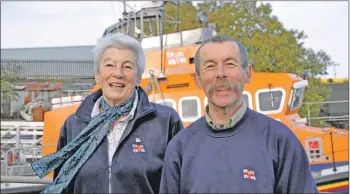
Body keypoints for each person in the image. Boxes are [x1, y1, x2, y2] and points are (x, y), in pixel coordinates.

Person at [159, 35, 319, 193]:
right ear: (198, 79)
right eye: (210, 66)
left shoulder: (280, 140)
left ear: (247, 73)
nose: (220, 74)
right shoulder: (179, 147)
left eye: (230, 64)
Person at [31, 33, 183, 193]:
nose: (118, 73)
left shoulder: (165, 121)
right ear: (98, 75)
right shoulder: (74, 124)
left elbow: (178, 184)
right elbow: (63, 184)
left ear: (138, 78)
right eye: (109, 65)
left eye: (127, 66)